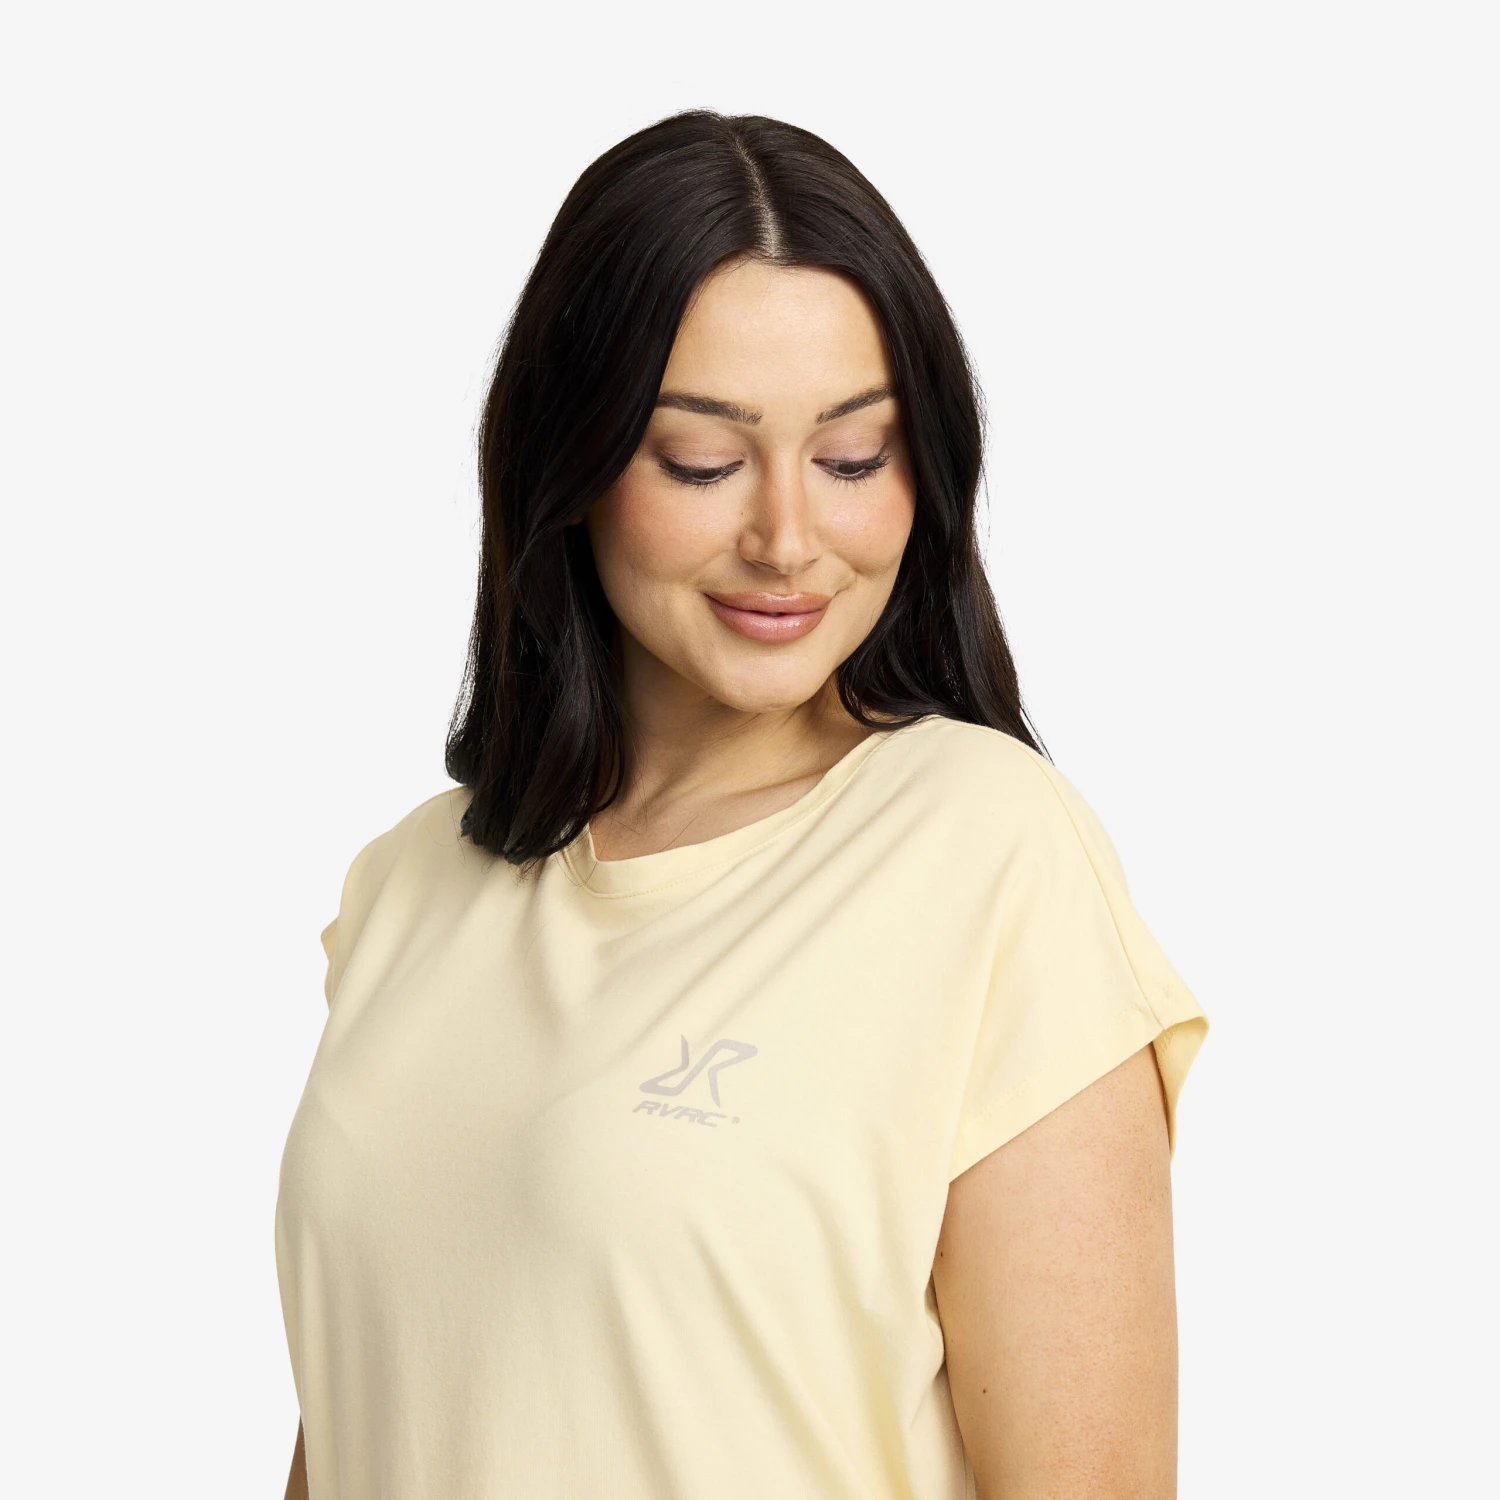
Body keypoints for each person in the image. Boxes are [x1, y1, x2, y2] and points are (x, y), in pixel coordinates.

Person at [275, 109, 1208, 1500]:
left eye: (853, 458)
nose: (785, 536)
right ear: (571, 460)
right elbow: (372, 1415)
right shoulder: (410, 885)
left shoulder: (987, 854)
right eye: (701, 462)